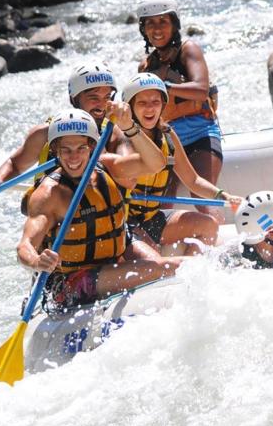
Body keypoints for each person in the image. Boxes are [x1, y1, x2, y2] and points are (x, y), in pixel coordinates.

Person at [17, 107, 175, 313]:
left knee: (167, 267)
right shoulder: (50, 194)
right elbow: (25, 246)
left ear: (92, 146)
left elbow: (156, 163)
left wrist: (129, 126)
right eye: (66, 149)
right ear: (55, 149)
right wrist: (37, 261)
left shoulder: (108, 167)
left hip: (113, 259)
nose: (74, 157)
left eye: (81, 148)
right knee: (167, 267)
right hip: (71, 283)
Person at [121, 72, 243, 254]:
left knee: (209, 225)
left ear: (163, 105)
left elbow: (193, 180)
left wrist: (224, 196)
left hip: (152, 217)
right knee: (152, 257)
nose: (150, 108)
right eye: (142, 103)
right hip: (126, 221)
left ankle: (193, 267)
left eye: (155, 102)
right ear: (130, 106)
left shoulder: (168, 135)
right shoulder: (120, 137)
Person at [0, 63, 139, 201]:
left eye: (107, 97)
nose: (102, 105)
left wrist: (97, 148)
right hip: (53, 216)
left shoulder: (114, 132)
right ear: (75, 99)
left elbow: (130, 180)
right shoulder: (45, 133)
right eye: (94, 98)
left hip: (102, 220)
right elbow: (15, 164)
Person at [136, 0, 223, 212]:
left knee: (202, 198)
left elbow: (201, 89)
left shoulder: (188, 49)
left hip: (201, 134)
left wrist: (164, 86)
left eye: (163, 22)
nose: (157, 29)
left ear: (174, 25)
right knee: (161, 204)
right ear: (144, 29)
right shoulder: (145, 66)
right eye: (150, 23)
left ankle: (215, 228)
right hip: (167, 140)